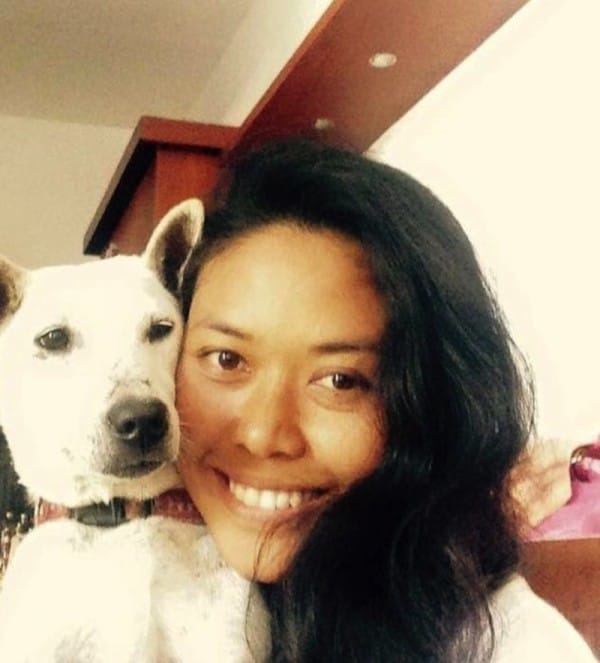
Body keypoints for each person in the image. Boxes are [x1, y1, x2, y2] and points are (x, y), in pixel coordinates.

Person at [175, 139, 595, 662]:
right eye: (226, 359)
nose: (264, 435)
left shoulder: (513, 647)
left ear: (435, 406)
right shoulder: (132, 573)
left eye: (340, 381)